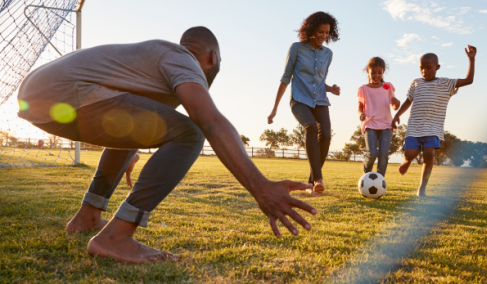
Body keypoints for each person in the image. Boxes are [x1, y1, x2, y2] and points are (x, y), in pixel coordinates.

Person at [17, 27, 318, 263]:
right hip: (65, 92)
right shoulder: (180, 57)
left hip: (39, 96)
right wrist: (260, 186)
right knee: (190, 133)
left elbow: (128, 119)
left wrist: (129, 145)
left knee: (147, 128)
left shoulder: (156, 65)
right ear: (212, 57)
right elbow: (209, 120)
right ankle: (115, 238)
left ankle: (88, 216)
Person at [267, 12, 341, 196]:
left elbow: (318, 81)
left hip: (321, 101)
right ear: (310, 30)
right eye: (320, 32)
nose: (323, 36)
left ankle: (312, 182)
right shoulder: (296, 49)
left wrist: (331, 88)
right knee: (310, 127)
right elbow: (286, 78)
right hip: (299, 100)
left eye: (327, 33)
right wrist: (275, 108)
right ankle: (318, 179)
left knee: (325, 134)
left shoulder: (328, 54)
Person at [392, 45, 477, 197]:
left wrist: (471, 59)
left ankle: (422, 188)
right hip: (414, 127)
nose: (424, 71)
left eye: (428, 67)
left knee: (429, 154)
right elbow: (407, 101)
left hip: (433, 128)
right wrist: (397, 115)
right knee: (410, 153)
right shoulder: (416, 83)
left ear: (437, 67)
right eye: (421, 68)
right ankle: (407, 160)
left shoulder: (446, 83)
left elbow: (469, 80)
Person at [358, 57, 400, 177]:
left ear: (383, 72)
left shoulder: (388, 87)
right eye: (373, 72)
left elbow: (395, 107)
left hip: (386, 125)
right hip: (370, 124)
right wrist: (360, 114)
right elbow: (360, 107)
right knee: (371, 154)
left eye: (380, 73)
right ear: (368, 71)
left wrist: (397, 102)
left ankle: (380, 179)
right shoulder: (363, 89)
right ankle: (366, 177)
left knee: (383, 154)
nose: (377, 75)